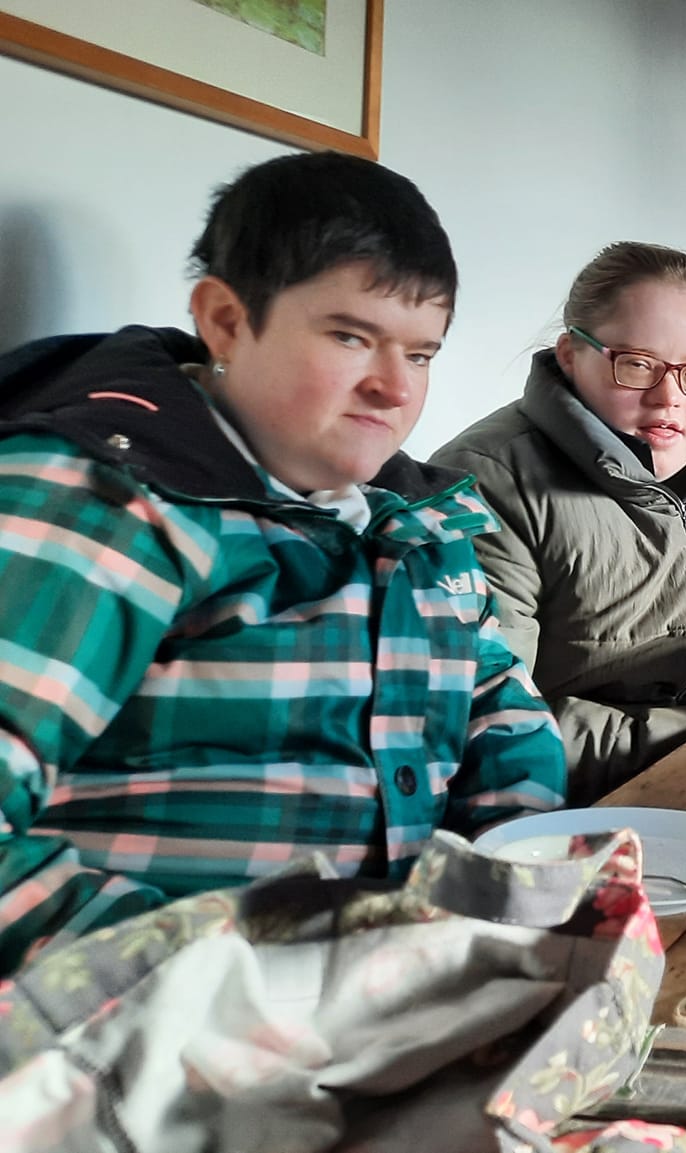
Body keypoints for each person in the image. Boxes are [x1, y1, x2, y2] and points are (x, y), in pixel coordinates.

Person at [0, 153, 567, 977]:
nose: (393, 388)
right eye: (351, 337)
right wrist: (227, 979)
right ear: (226, 321)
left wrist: (511, 895)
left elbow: (502, 715)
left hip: (394, 993)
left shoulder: (422, 524)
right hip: (161, 1028)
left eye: (421, 353)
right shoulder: (104, 500)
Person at [434, 243, 686, 802]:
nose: (668, 399)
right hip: (559, 814)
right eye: (636, 365)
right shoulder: (485, 482)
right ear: (569, 355)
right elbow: (483, 723)